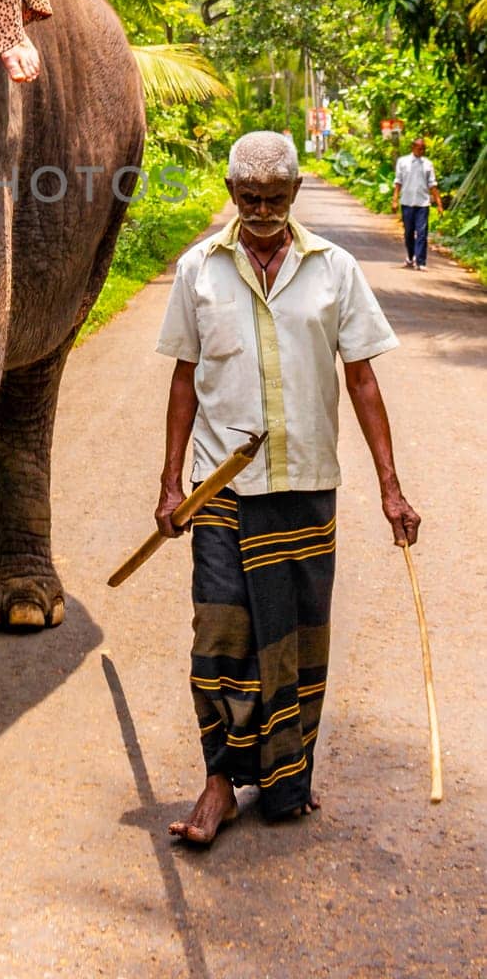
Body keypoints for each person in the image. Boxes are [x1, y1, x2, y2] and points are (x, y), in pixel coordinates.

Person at [154, 130, 420, 846]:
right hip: (220, 489)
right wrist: (169, 481)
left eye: (274, 198)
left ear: (296, 193)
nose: (262, 211)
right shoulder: (197, 271)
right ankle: (218, 784)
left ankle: (282, 782)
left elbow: (361, 379)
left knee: (295, 641)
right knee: (217, 637)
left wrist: (391, 489)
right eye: (248, 198)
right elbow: (183, 376)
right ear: (230, 193)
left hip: (303, 486)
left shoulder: (334, 269)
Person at [392, 136, 443, 271]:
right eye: (419, 148)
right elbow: (398, 182)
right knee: (408, 232)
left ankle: (421, 261)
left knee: (422, 233)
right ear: (413, 147)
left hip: (423, 203)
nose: (421, 151)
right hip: (407, 202)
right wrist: (395, 200)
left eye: (423, 149)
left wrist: (438, 203)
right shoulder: (403, 162)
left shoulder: (427, 164)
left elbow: (432, 185)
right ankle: (410, 256)